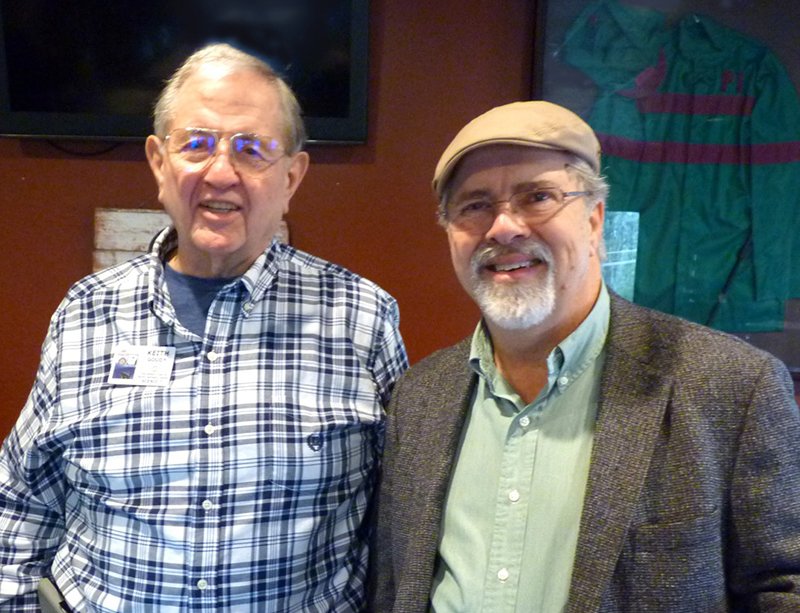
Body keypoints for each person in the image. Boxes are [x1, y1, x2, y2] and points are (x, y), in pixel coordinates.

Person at [0, 43, 408, 611]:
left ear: (292, 175)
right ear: (158, 162)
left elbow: (400, 518)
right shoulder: (84, 313)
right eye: (196, 144)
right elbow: (20, 504)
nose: (221, 171)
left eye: (252, 149)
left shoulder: (362, 317)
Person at [369, 100, 800, 612]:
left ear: (595, 220)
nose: (503, 228)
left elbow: (783, 586)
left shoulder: (731, 386)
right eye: (474, 205)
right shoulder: (419, 397)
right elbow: (395, 584)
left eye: (538, 197)